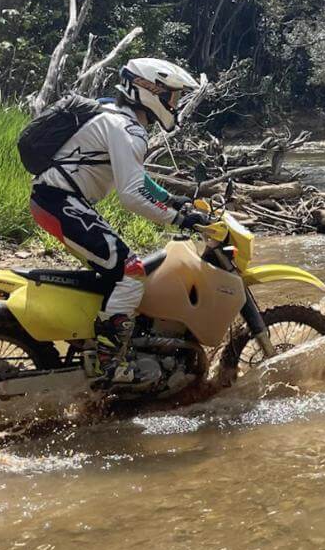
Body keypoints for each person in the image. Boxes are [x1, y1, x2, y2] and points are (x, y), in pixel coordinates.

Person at [29, 57, 210, 382]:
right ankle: (107, 364)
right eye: (172, 96)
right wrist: (178, 220)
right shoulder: (125, 128)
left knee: (114, 273)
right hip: (60, 202)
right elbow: (131, 196)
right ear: (149, 90)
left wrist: (171, 200)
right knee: (131, 271)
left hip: (59, 200)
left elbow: (137, 179)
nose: (176, 103)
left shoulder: (117, 118)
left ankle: (102, 341)